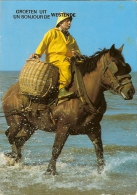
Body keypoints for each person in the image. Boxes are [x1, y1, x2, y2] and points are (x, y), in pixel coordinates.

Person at [30, 12, 81, 99]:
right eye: (67, 21)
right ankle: (62, 89)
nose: (70, 23)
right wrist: (37, 54)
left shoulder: (71, 38)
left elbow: (78, 51)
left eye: (70, 21)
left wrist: (77, 55)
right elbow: (43, 44)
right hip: (54, 59)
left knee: (82, 66)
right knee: (65, 66)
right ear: (61, 22)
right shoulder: (52, 32)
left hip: (69, 59)